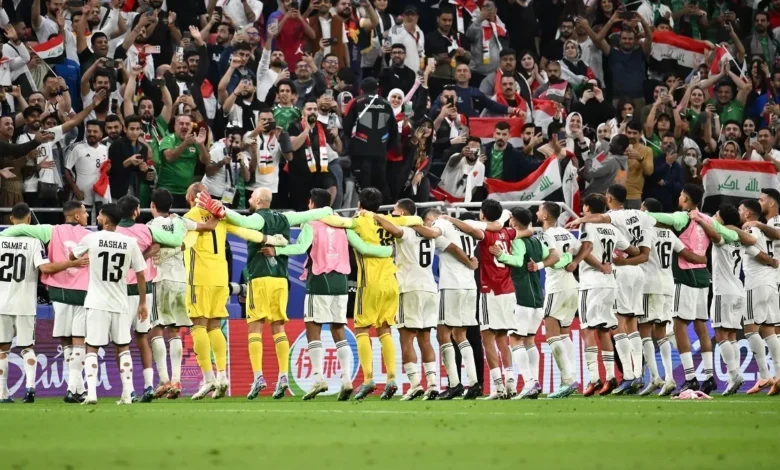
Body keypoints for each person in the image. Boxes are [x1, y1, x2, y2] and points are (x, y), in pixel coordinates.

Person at [264, 188, 393, 400]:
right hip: (341, 281)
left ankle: (318, 378)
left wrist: (276, 250)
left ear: (312, 205)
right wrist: (388, 252)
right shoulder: (343, 224)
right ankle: (346, 379)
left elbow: (299, 248)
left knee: (313, 328)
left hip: (320, 278)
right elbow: (361, 246)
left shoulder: (311, 223)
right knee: (338, 330)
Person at [215, 187, 334, 399]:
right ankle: (282, 376)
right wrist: (328, 210)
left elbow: (240, 223)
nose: (249, 199)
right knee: (279, 328)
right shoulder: (286, 217)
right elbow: (311, 214)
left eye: (252, 197)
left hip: (260, 278)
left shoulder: (257, 219)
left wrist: (219, 208)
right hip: (281, 280)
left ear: (259, 200)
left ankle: (258, 376)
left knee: (255, 328)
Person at [309, 187, 423, 400]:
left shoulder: (359, 221)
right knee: (385, 329)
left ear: (360, 204)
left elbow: (337, 222)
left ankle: (369, 378)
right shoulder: (390, 220)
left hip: (370, 282)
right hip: (392, 281)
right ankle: (391, 379)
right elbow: (415, 220)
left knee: (362, 328)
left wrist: (328, 214)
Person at [181, 183, 286, 400]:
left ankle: (208, 378)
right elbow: (246, 232)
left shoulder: (188, 217)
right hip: (221, 278)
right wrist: (271, 239)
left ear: (191, 198)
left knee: (197, 324)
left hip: (198, 278)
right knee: (214, 325)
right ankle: (222, 375)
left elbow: (182, 244)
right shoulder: (221, 216)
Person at [646, 184, 740, 395]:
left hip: (684, 275)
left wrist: (639, 214)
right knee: (701, 327)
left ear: (686, 198)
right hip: (703, 277)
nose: (679, 197)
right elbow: (731, 236)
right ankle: (708, 377)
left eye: (681, 195)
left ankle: (690, 378)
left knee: (679, 325)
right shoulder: (708, 220)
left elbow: (659, 217)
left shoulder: (682, 217)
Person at [0, 201, 93, 403]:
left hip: (19, 299)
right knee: (35, 347)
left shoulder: (49, 231)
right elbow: (44, 266)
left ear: (10, 219)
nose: (87, 215)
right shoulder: (89, 236)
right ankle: (56, 389)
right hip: (36, 300)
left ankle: (2, 393)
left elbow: (20, 230)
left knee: (3, 349)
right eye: (85, 212)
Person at [568, 184, 657, 394]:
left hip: (596, 280)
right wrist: (625, 258)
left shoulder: (591, 224)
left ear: (588, 208)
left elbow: (587, 248)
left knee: (590, 329)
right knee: (610, 329)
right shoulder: (620, 224)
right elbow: (635, 250)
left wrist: (594, 264)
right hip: (619, 280)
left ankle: (601, 377)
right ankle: (622, 375)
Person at [440, 200, 528, 400]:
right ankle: (511, 384)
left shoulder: (485, 233)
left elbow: (469, 227)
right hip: (508, 290)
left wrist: (448, 217)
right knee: (502, 339)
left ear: (482, 215)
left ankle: (497, 387)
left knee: (487, 338)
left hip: (491, 291)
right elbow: (526, 231)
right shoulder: (507, 232)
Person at [70, 203, 149, 405]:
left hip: (96, 302)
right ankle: (128, 393)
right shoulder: (129, 242)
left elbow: (72, 257)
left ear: (105, 220)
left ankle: (92, 394)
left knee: (92, 348)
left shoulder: (91, 238)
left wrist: (77, 252)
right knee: (123, 347)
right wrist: (142, 303)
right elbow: (141, 274)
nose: (96, 219)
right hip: (120, 302)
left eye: (99, 216)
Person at [372, 199, 444, 400]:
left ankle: (414, 384)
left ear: (403, 213)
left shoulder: (408, 231)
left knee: (406, 339)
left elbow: (394, 231)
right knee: (425, 339)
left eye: (394, 211)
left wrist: (374, 216)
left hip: (410, 289)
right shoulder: (428, 235)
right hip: (430, 288)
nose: (393, 214)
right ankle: (432, 384)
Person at [491, 207, 562, 399]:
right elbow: (556, 256)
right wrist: (539, 265)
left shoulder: (518, 240)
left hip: (521, 296)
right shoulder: (537, 241)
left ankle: (530, 382)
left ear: (513, 222)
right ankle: (535, 383)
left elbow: (517, 260)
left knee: (515, 339)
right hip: (537, 298)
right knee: (529, 340)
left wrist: (500, 255)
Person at [637, 198, 704, 396]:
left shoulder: (645, 232)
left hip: (650, 284)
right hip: (668, 285)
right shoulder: (670, 234)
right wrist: (704, 259)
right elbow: (688, 254)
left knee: (645, 330)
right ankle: (669, 378)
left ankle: (657, 377)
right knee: (661, 332)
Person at [693, 205, 760, 396]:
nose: (714, 217)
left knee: (721, 334)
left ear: (721, 220)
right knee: (730, 335)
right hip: (738, 290)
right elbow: (750, 241)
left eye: (716, 215)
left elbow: (714, 235)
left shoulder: (722, 237)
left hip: (723, 291)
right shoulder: (739, 239)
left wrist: (699, 220)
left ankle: (734, 374)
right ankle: (734, 375)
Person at [535, 202, 579, 398]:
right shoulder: (566, 233)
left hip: (557, 286)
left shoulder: (545, 235)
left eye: (539, 209)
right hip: (572, 286)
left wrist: (538, 265)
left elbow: (552, 258)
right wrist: (574, 261)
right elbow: (583, 247)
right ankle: (569, 379)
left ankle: (568, 380)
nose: (537, 211)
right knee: (563, 333)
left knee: (551, 334)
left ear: (544, 215)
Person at [737, 200, 780, 395]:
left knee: (750, 329)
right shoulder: (765, 229)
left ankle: (764, 375)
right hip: (771, 283)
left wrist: (769, 260)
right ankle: (778, 374)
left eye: (740, 209)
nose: (738, 212)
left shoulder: (749, 229)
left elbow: (755, 251)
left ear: (747, 214)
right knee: (769, 330)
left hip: (756, 283)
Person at [342, 78, 398, 202]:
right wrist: (384, 147)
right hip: (380, 152)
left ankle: (365, 214)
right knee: (381, 184)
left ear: (361, 89)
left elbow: (346, 127)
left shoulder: (355, 102)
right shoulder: (387, 103)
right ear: (377, 89)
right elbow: (394, 131)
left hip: (360, 152)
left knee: (364, 186)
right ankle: (385, 213)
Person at [158, 115, 211, 208]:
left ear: (191, 127)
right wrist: (185, 144)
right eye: (181, 124)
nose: (184, 126)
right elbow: (169, 157)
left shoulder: (194, 142)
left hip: (186, 192)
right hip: (167, 191)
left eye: (187, 124)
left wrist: (201, 145)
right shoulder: (168, 139)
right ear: (175, 127)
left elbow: (206, 161)